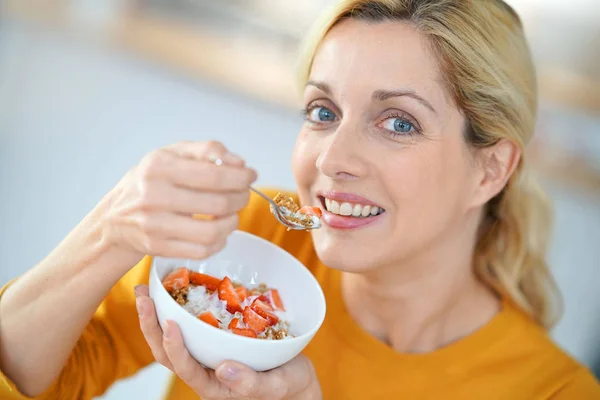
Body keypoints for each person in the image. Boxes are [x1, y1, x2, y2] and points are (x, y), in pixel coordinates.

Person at [1, 0, 599, 399]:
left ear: (490, 169)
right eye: (323, 111)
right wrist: (112, 229)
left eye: (398, 123)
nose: (333, 159)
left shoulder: (553, 391)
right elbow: (30, 378)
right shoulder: (250, 240)